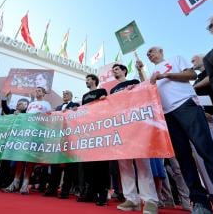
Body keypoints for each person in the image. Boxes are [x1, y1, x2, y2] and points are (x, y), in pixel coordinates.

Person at [138, 47, 213, 214]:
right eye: (147, 54)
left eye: (152, 51)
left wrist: (166, 75)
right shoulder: (152, 72)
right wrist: (141, 73)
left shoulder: (175, 58)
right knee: (184, 159)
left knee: (207, 152)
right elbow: (146, 88)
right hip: (167, 115)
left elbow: (191, 75)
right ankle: (200, 202)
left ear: (161, 51)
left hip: (186, 106)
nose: (150, 55)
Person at [109, 64, 158, 214]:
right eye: (113, 70)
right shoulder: (112, 90)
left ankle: (150, 200)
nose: (115, 71)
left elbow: (147, 89)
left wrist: (134, 89)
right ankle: (131, 199)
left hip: (136, 125)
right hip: (120, 126)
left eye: (117, 69)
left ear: (124, 71)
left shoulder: (134, 82)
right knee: (124, 164)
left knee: (142, 163)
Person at [77, 74, 109, 206]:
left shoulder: (102, 91)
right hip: (87, 130)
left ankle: (102, 193)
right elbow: (83, 111)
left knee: (100, 163)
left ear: (94, 81)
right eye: (86, 80)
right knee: (88, 164)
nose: (87, 81)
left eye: (89, 79)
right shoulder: (84, 96)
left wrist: (104, 100)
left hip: (100, 129)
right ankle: (90, 193)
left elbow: (107, 105)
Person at [44, 90, 80, 198]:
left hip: (69, 138)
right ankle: (52, 189)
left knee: (68, 167)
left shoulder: (75, 105)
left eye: (67, 94)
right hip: (57, 139)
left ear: (71, 96)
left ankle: (65, 191)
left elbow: (78, 117)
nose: (65, 95)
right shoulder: (58, 108)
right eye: (63, 94)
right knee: (55, 165)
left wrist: (74, 111)